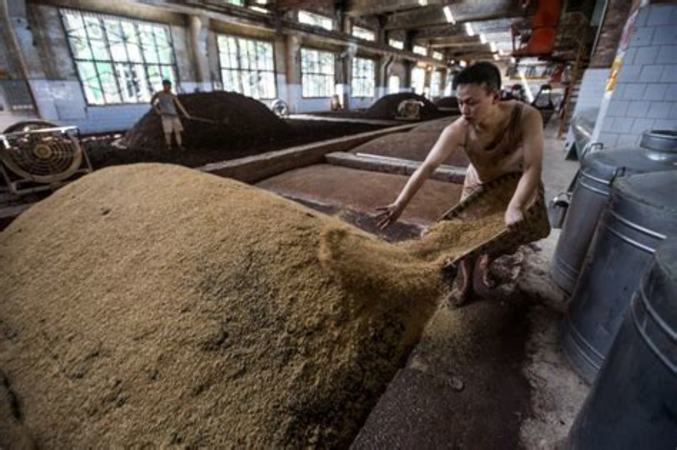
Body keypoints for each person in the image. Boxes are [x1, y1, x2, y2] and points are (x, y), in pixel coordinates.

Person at [375, 62, 544, 306]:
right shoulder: (458, 130)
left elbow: (532, 167)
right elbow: (427, 167)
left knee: (511, 237)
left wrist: (515, 206)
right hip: (478, 183)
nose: (464, 109)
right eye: (460, 102)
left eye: (472, 102)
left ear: (495, 96)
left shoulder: (526, 116)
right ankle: (466, 284)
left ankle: (489, 260)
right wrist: (400, 204)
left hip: (514, 184)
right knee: (465, 238)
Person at [150, 80, 190, 150]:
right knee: (168, 132)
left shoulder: (172, 95)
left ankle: (180, 145)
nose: (168, 88)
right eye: (166, 86)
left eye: (169, 86)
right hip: (166, 116)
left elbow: (179, 105)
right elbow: (151, 102)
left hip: (174, 116)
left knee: (177, 131)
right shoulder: (159, 94)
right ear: (164, 86)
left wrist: (186, 114)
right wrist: (157, 110)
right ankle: (169, 146)